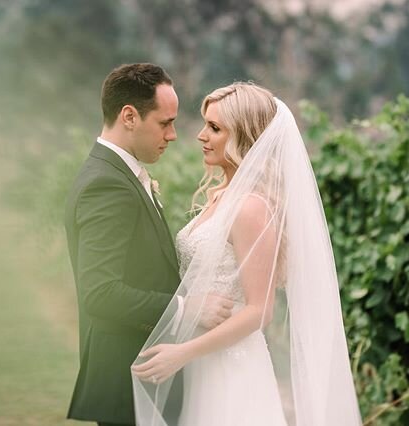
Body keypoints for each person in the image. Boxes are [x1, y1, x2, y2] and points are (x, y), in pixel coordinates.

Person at [131, 82, 362, 425]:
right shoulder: (219, 196)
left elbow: (259, 311)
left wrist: (181, 353)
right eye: (205, 124)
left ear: (244, 137)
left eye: (215, 128)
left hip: (230, 367)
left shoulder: (251, 207)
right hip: (201, 364)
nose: (200, 136)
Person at [64, 63, 233, 426]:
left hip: (148, 374)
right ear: (129, 116)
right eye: (164, 122)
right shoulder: (106, 185)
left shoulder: (117, 174)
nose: (173, 135)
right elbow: (100, 292)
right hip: (130, 380)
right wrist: (188, 308)